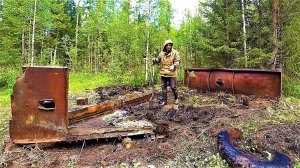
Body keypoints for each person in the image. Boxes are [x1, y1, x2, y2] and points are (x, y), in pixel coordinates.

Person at [152, 40, 180, 106]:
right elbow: (158, 60)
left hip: (172, 73)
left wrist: (174, 65)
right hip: (163, 73)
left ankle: (176, 98)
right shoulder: (161, 53)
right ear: (165, 46)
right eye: (167, 45)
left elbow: (177, 61)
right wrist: (154, 60)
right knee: (163, 87)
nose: (168, 46)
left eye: (170, 45)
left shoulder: (175, 53)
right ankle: (164, 101)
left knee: (173, 87)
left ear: (171, 46)